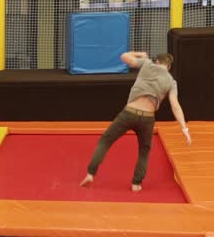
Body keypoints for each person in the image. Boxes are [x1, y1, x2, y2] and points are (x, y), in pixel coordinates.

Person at [79, 51, 191, 192]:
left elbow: (124, 56)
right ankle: (136, 184)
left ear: (156, 61)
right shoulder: (171, 82)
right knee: (144, 151)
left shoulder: (147, 64)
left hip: (129, 113)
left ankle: (90, 173)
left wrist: (140, 54)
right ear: (168, 67)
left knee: (105, 140)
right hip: (147, 118)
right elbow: (175, 106)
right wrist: (184, 129)